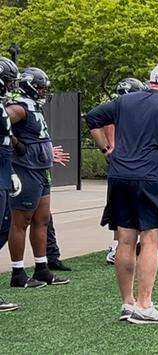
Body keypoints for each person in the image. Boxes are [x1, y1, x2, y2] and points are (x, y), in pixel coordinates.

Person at [86, 64, 158, 324]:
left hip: (120, 176)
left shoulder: (124, 101)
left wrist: (106, 150)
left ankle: (127, 303)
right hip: (151, 177)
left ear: (150, 82)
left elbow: (92, 118)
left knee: (125, 240)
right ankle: (144, 305)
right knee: (150, 239)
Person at [5, 67, 69, 288]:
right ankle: (17, 272)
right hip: (25, 169)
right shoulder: (18, 107)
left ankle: (42, 268)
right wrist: (16, 144)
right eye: (40, 87)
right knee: (21, 221)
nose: (42, 91)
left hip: (41, 169)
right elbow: (3, 124)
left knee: (42, 219)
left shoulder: (33, 105)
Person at [103, 77, 158, 265]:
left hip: (125, 165)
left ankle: (133, 242)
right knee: (129, 211)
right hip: (134, 166)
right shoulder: (123, 109)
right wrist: (110, 150)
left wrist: (110, 151)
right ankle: (122, 245)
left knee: (126, 210)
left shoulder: (120, 107)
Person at [0, 57, 21, 311]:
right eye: (6, 81)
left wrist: (11, 171)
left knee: (3, 229)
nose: (8, 87)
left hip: (4, 170)